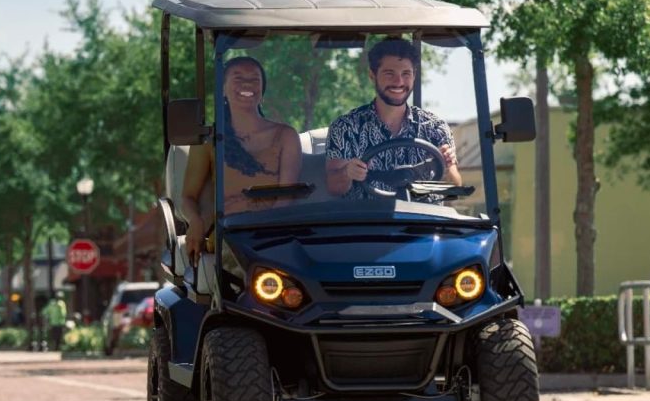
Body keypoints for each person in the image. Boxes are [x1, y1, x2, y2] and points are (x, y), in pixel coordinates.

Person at [180, 56, 302, 263]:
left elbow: (286, 197)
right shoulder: (210, 140)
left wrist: (266, 234)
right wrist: (196, 221)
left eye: (254, 79)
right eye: (238, 78)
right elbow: (188, 197)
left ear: (262, 89)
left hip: (274, 232)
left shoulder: (286, 135)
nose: (247, 84)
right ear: (223, 89)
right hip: (228, 235)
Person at [325, 38, 462, 201]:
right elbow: (333, 187)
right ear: (372, 75)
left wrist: (446, 169)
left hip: (423, 223)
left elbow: (453, 191)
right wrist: (347, 172)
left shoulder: (435, 128)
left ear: (414, 76)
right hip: (365, 223)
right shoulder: (345, 127)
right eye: (389, 74)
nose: (399, 82)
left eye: (406, 74)